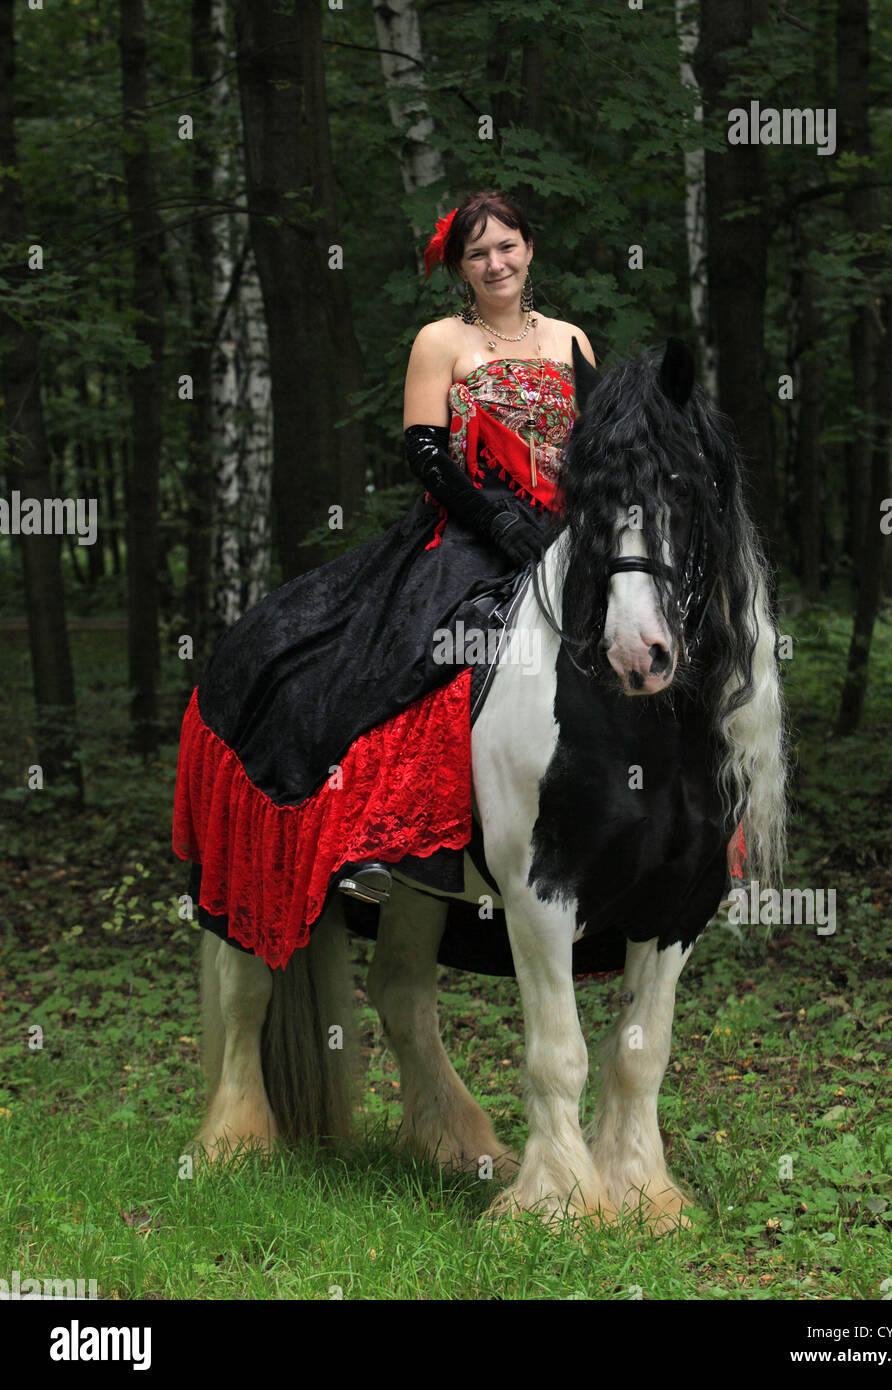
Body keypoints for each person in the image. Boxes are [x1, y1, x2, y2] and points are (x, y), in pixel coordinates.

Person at [172, 189, 597, 970]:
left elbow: (598, 450)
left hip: (568, 532)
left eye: (506, 246)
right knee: (415, 655)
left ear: (528, 249)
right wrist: (497, 522)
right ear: (459, 267)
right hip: (469, 531)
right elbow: (426, 454)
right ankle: (375, 840)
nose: (494, 263)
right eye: (477, 254)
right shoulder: (441, 339)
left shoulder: (571, 339)